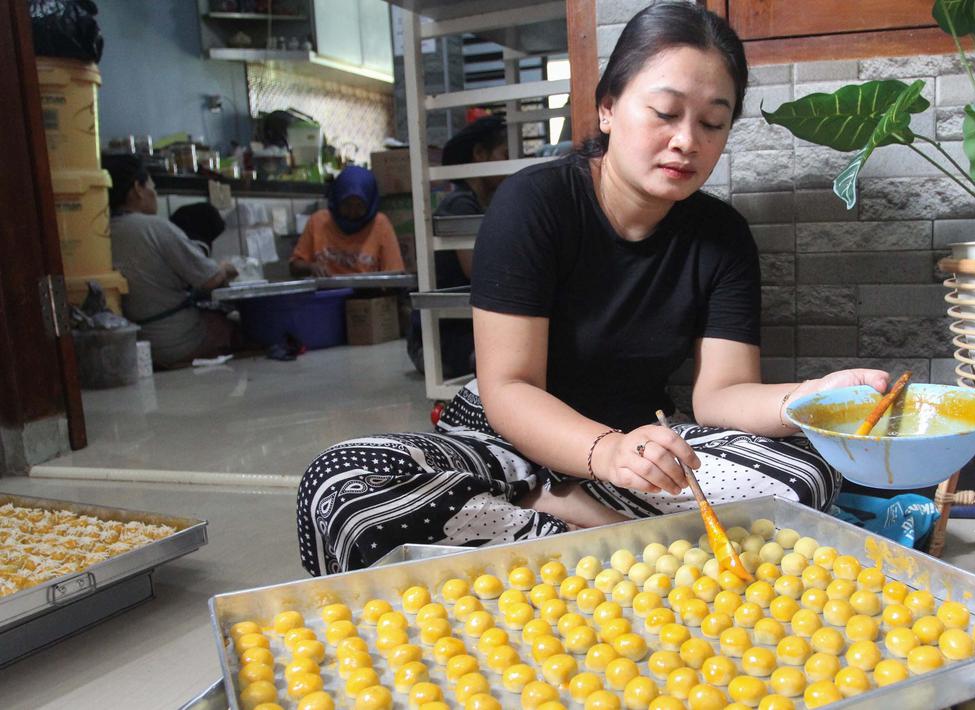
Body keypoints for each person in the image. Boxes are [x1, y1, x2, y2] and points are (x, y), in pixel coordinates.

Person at [296, 4, 888, 576]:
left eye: (712, 122)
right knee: (339, 486)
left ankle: (567, 539)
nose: (688, 140)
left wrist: (813, 400)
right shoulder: (535, 203)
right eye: (665, 112)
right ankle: (597, 532)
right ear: (607, 108)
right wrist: (601, 451)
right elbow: (509, 386)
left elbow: (721, 396)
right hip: (505, 441)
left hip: (639, 451)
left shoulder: (721, 237)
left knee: (807, 475)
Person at [103, 155, 240, 369]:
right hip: (175, 342)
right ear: (138, 188)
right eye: (152, 186)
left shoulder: (100, 234)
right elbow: (210, 279)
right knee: (240, 326)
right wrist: (225, 268)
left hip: (130, 346)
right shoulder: (154, 228)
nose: (154, 193)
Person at [408, 115, 508, 379]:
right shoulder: (460, 206)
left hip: (462, 330)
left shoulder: (477, 205)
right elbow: (474, 270)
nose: (509, 164)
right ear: (479, 154)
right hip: (442, 341)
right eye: (504, 154)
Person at [290, 165, 405, 277]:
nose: (352, 212)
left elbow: (395, 274)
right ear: (337, 200)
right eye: (346, 205)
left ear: (370, 205)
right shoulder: (318, 222)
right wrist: (311, 267)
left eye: (359, 206)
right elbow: (294, 266)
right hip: (327, 294)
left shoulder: (380, 225)